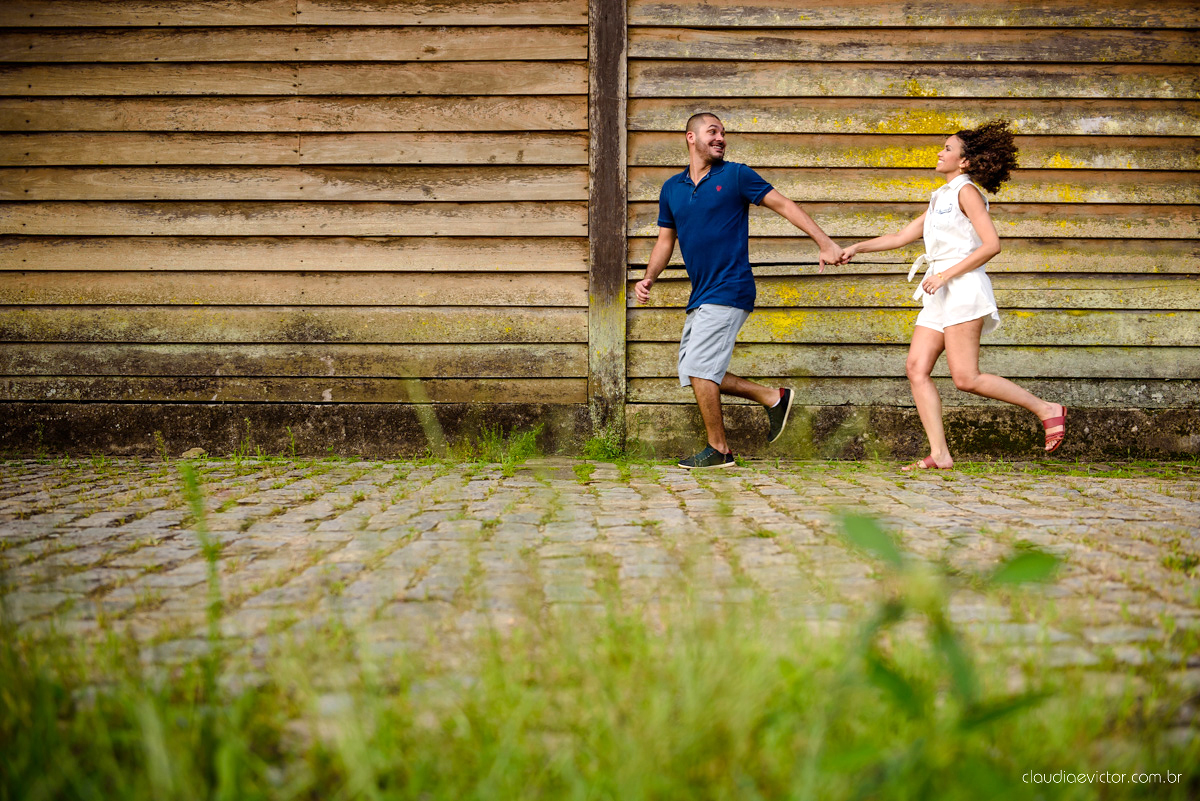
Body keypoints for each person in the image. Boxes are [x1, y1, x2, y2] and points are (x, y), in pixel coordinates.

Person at [838, 120, 1066, 470]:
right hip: (939, 289)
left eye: (947, 148)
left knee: (965, 378)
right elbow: (900, 237)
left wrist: (945, 274)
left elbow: (992, 245)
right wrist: (855, 247)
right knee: (916, 368)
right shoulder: (941, 196)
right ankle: (940, 455)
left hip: (962, 287)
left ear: (964, 162)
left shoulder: (967, 192)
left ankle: (1046, 409)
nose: (939, 152)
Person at [635, 112, 843, 469]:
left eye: (723, 133)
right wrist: (649, 276)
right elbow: (665, 241)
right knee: (693, 370)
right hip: (702, 292)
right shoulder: (672, 188)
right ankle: (772, 397)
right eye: (712, 131)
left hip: (730, 287)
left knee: (700, 367)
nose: (720, 138)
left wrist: (824, 242)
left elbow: (785, 205)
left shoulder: (736, 175)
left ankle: (719, 450)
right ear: (691, 137)